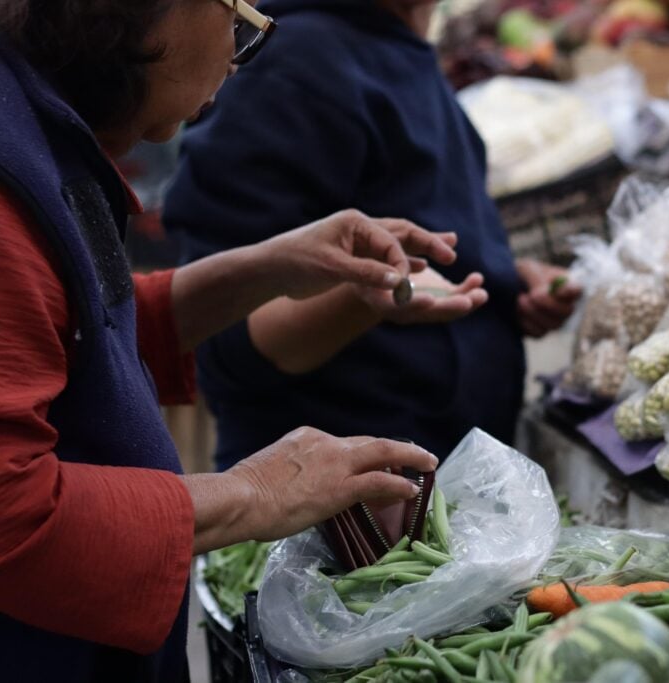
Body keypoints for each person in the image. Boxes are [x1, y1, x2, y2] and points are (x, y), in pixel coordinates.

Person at [0, 1, 480, 680]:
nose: (238, 48)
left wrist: (271, 266)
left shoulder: (36, 131)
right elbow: (12, 518)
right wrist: (257, 489)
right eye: (237, 11)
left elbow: (90, 328)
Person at [164, 0, 583, 470]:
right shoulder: (296, 65)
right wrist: (365, 295)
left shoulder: (394, 49)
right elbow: (223, 340)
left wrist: (505, 280)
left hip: (433, 487)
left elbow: (421, 229)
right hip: (343, 520)